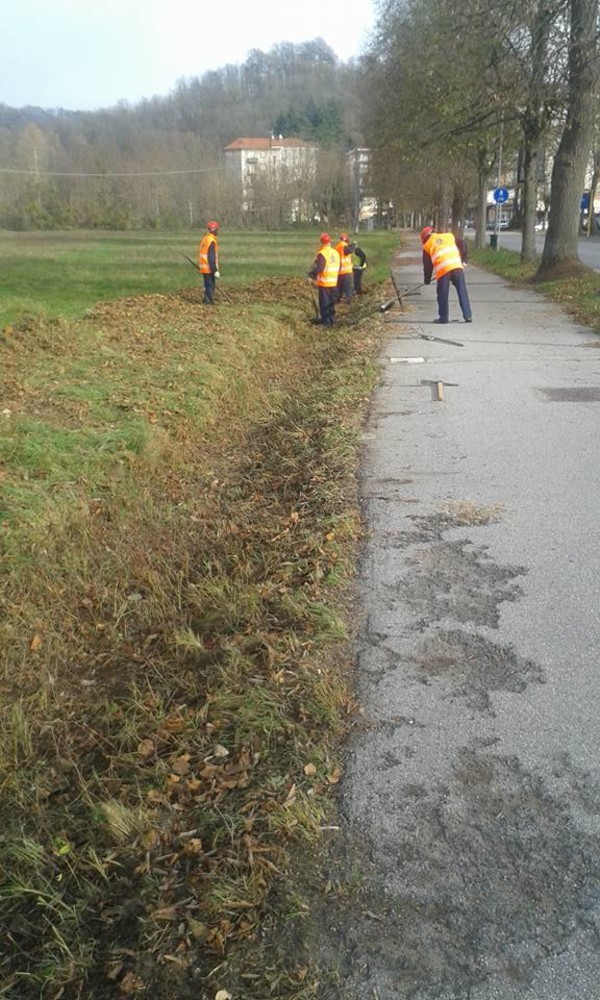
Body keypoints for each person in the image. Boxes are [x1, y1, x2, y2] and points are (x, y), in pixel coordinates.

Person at [420, 226, 472, 323]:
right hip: (456, 266)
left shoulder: (427, 245)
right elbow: (463, 244)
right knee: (462, 291)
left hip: (443, 270)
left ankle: (443, 318)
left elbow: (427, 266)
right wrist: (464, 259)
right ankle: (468, 315)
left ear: (424, 238)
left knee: (442, 294)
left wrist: (427, 279)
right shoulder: (449, 236)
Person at [308, 233, 340, 326]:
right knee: (331, 302)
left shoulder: (322, 253)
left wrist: (312, 275)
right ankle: (330, 319)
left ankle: (326, 323)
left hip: (325, 283)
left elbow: (320, 268)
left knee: (324, 303)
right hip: (334, 282)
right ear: (330, 241)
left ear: (321, 242)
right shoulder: (335, 252)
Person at [198, 220, 220, 304]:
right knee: (210, 286)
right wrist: (214, 270)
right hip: (209, 268)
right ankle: (208, 302)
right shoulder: (211, 241)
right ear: (215, 230)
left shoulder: (205, 239)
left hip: (203, 267)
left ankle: (207, 300)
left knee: (207, 285)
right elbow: (211, 257)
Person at [334, 232, 354, 304]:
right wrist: (353, 246)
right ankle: (349, 300)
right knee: (348, 287)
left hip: (339, 271)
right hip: (346, 271)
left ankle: (336, 300)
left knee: (339, 288)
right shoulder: (344, 245)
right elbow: (348, 251)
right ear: (346, 239)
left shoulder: (337, 247)